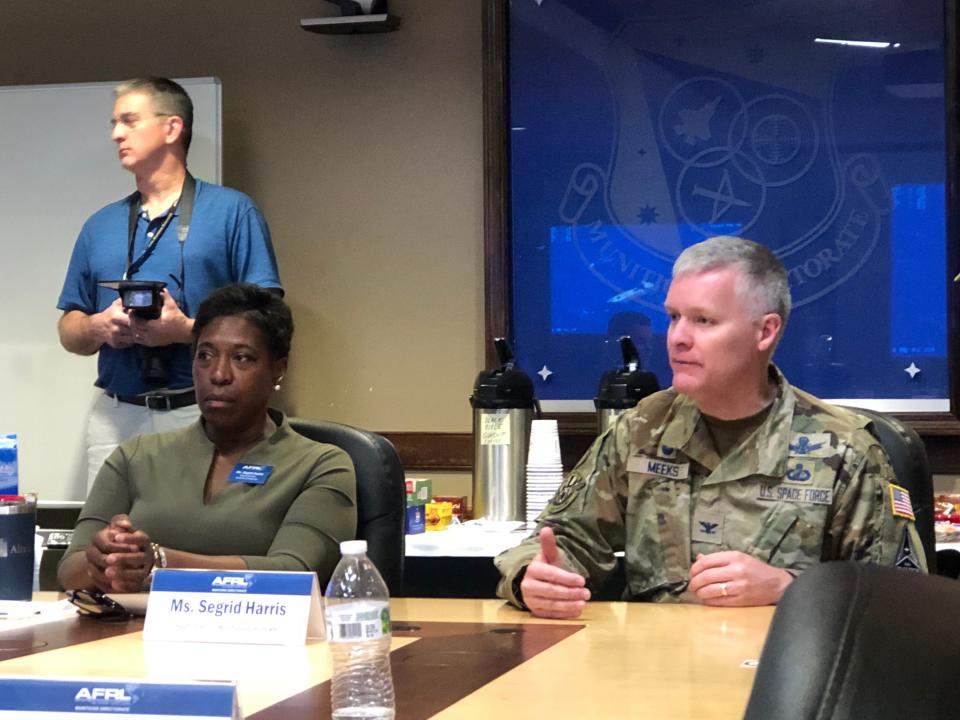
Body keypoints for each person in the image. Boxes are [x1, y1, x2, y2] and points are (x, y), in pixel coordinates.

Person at [496, 235, 927, 618]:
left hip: (779, 681)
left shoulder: (843, 449)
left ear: (765, 332)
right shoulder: (643, 428)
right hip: (648, 677)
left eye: (703, 321)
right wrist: (532, 579)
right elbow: (564, 538)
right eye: (673, 317)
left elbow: (902, 601)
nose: (677, 337)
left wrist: (789, 589)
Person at [56, 77, 282, 492]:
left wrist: (187, 332)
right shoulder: (99, 225)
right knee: (106, 543)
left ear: (172, 128)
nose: (116, 134)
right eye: (114, 123)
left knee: (199, 535)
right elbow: (69, 329)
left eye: (129, 120)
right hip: (114, 416)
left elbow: (269, 326)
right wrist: (100, 326)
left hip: (200, 410)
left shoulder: (232, 212)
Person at [58, 283, 357, 592]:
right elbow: (69, 570)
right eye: (205, 356)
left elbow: (293, 573)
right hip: (135, 637)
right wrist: (103, 561)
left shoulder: (320, 465)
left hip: (258, 635)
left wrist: (159, 563)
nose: (218, 374)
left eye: (241, 358)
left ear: (278, 370)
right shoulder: (135, 456)